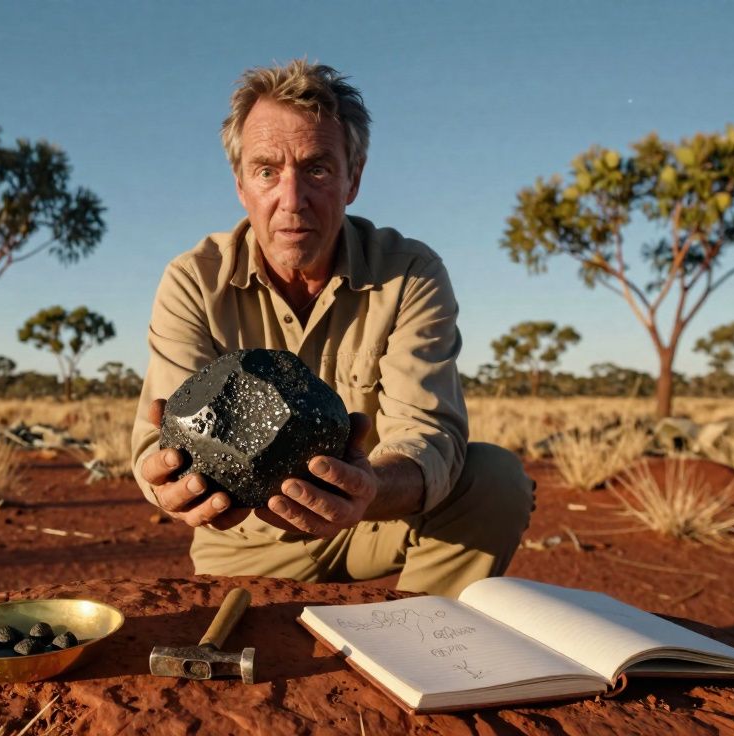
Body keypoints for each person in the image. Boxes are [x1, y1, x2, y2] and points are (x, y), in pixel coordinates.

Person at [130, 59, 533, 597]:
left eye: (317, 169)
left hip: (372, 515)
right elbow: (154, 443)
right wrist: (168, 482)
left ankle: (422, 635)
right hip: (246, 537)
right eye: (267, 171)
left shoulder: (410, 273)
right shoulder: (195, 280)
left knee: (494, 480)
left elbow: (429, 436)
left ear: (353, 180)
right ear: (241, 185)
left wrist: (367, 488)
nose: (292, 199)